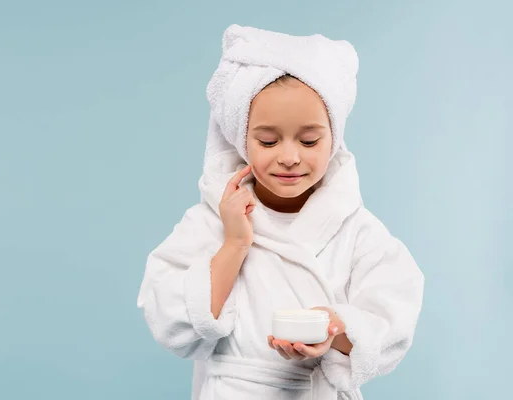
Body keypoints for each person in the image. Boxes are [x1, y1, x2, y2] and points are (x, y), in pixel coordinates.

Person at [137, 24, 424, 400]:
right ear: (241, 138)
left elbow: (390, 324)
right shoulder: (211, 221)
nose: (289, 157)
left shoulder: (357, 230)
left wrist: (333, 331)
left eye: (309, 140)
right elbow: (170, 321)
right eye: (268, 140)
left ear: (334, 137)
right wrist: (235, 243)